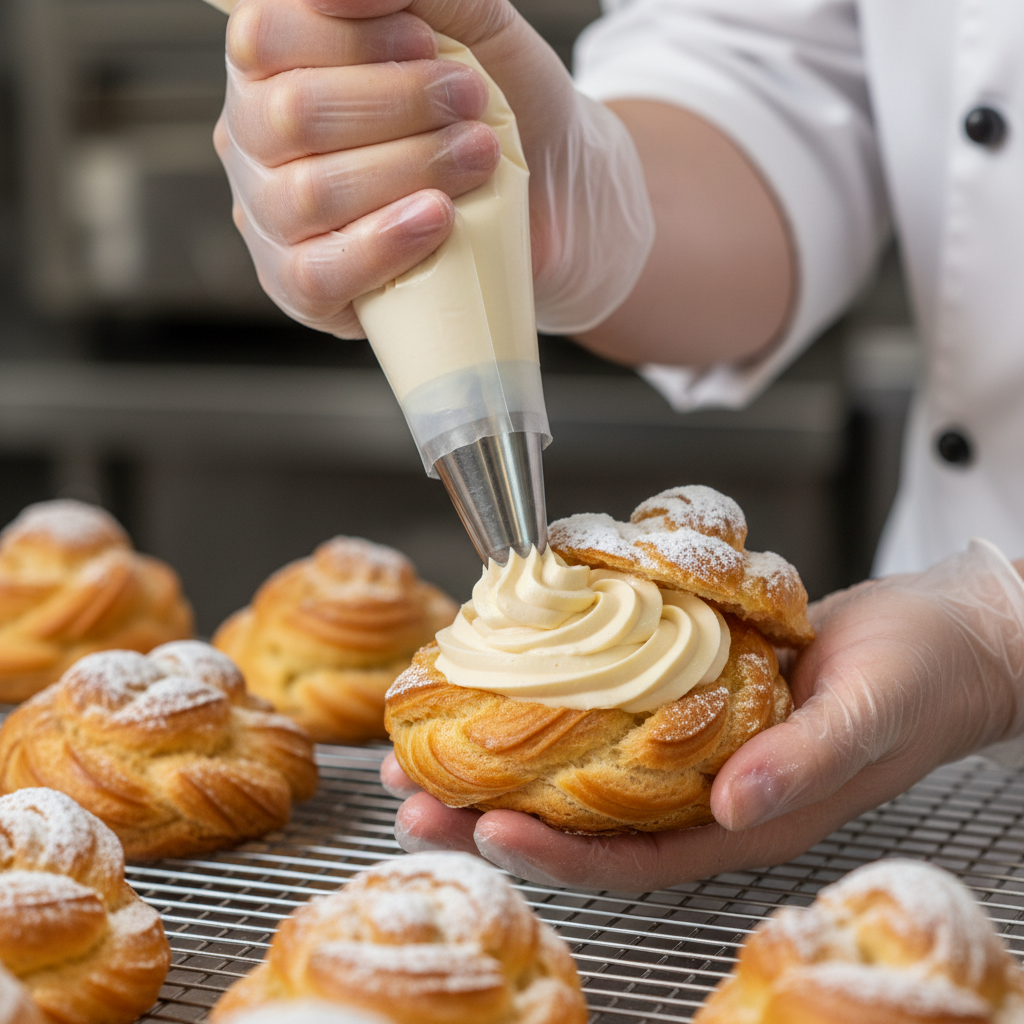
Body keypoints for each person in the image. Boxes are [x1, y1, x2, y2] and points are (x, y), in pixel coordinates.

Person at [215, 0, 1024, 890]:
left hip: (942, 633)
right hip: (930, 780)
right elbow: (764, 68)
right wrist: (597, 201)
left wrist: (1005, 627)